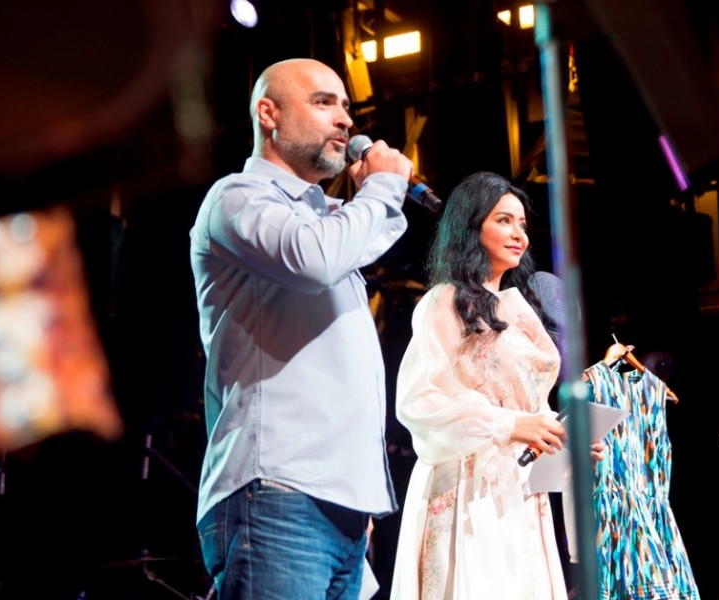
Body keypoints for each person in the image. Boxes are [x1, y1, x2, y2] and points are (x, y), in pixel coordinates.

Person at [189, 57, 412, 599]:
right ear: (269, 114)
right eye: (323, 102)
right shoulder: (237, 197)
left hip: (343, 505)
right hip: (277, 490)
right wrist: (382, 189)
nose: (345, 120)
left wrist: (357, 499)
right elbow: (313, 260)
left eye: (346, 106)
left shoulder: (327, 221)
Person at [390, 171, 601, 599]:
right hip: (467, 484)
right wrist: (508, 425)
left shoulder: (521, 312)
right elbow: (418, 400)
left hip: (519, 490)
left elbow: (532, 409)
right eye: (504, 220)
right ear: (472, 226)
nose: (519, 233)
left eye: (522, 223)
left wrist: (565, 439)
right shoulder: (445, 301)